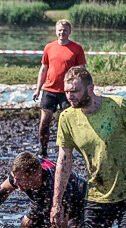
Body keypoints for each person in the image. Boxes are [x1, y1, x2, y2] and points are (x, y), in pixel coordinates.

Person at [51, 66, 126, 228]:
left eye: (75, 91)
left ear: (90, 89)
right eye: (67, 92)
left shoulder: (117, 106)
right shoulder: (67, 118)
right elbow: (64, 160)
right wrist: (56, 202)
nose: (69, 96)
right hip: (96, 194)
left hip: (125, 191)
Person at [32, 19, 85, 158]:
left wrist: (82, 90)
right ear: (56, 31)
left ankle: (68, 151)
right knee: (44, 122)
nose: (62, 33)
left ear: (69, 32)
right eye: (60, 30)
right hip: (49, 90)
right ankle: (43, 151)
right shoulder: (49, 47)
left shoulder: (77, 48)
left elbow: (82, 71)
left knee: (69, 123)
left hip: (68, 92)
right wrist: (38, 89)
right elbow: (43, 68)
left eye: (65, 30)